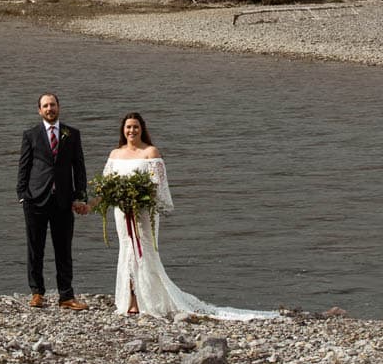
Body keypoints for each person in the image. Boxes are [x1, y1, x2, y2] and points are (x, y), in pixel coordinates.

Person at [100, 113, 278, 320]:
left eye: (136, 127)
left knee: (144, 251)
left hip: (144, 211)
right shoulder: (115, 154)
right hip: (122, 212)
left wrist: (140, 199)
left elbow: (158, 184)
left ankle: (147, 299)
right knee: (127, 250)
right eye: (128, 127)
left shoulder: (150, 152)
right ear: (123, 129)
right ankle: (130, 299)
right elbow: (106, 185)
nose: (132, 131)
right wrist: (98, 203)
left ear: (142, 128)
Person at [16, 92, 90, 310]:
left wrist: (80, 196)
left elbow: (79, 167)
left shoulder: (72, 134)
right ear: (39, 110)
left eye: (53, 105)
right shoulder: (30, 135)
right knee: (35, 248)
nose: (50, 109)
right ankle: (37, 293)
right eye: (45, 106)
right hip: (35, 200)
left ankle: (66, 296)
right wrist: (22, 195)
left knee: (63, 249)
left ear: (59, 107)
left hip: (63, 201)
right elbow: (24, 167)